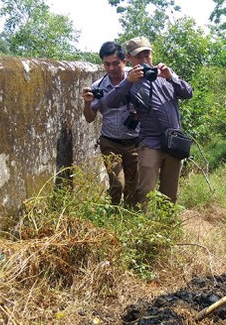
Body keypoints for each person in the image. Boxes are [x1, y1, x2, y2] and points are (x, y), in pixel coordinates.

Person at [103, 36, 193, 205]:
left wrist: (171, 77)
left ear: (152, 54)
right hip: (151, 144)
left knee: (170, 194)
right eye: (139, 56)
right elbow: (110, 102)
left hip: (173, 142)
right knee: (144, 191)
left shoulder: (165, 74)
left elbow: (188, 93)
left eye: (147, 55)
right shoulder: (130, 80)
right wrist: (128, 82)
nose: (144, 60)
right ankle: (141, 227)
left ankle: (166, 227)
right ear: (129, 58)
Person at [82, 41, 139, 206]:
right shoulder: (98, 86)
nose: (111, 68)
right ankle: (112, 213)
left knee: (132, 185)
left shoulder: (135, 78)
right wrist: (87, 103)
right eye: (107, 64)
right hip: (110, 142)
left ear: (124, 62)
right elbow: (89, 118)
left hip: (134, 142)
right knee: (117, 184)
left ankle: (128, 217)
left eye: (116, 64)